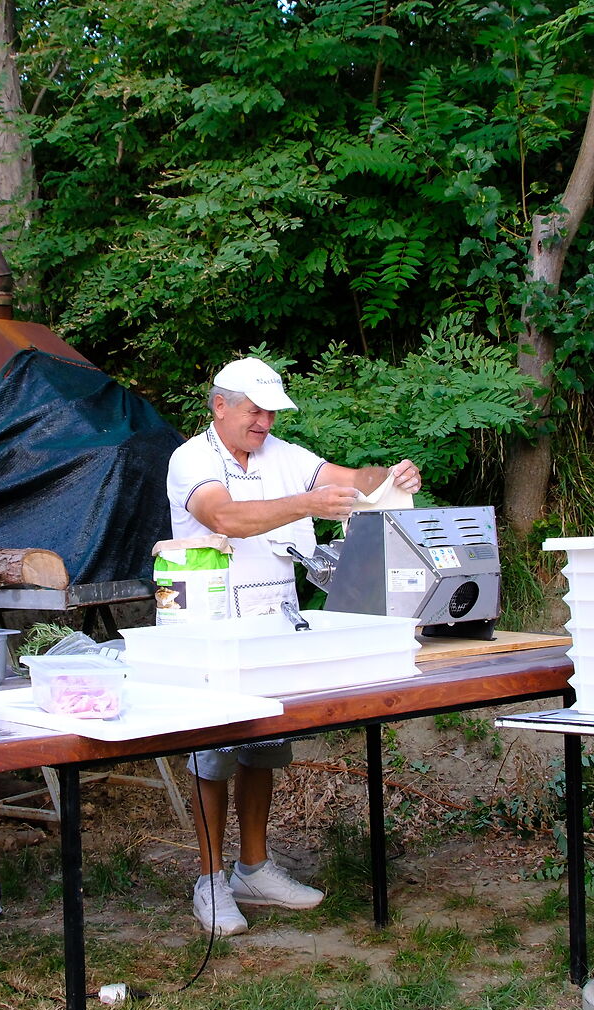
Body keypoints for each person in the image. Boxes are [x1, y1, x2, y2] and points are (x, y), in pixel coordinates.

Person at [165, 357, 420, 935]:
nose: (265, 422)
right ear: (220, 406)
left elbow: (350, 478)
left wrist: (390, 477)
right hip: (209, 623)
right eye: (255, 411)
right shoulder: (192, 459)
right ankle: (209, 880)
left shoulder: (282, 455)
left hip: (274, 622)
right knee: (213, 754)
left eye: (272, 413)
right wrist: (306, 505)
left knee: (263, 747)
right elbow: (224, 517)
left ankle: (253, 868)